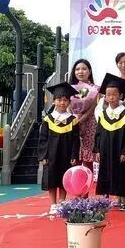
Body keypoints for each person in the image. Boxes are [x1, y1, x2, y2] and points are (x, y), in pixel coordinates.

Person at [94, 73, 125, 211]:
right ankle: (105, 201)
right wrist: (97, 150)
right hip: (105, 150)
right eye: (108, 94)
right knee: (104, 172)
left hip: (120, 151)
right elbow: (98, 134)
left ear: (121, 96)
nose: (111, 97)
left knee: (122, 174)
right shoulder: (103, 115)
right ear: (105, 97)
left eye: (114, 94)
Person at [38, 82, 80, 215]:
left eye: (65, 100)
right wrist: (43, 156)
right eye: (59, 99)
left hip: (66, 154)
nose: (62, 102)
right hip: (51, 155)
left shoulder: (73, 120)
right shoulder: (48, 119)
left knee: (64, 177)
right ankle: (53, 204)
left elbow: (75, 140)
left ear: (69, 102)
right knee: (51, 178)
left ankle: (62, 202)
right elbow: (43, 138)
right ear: (54, 101)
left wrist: (74, 155)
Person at [69, 59, 100, 177]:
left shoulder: (95, 89)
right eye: (77, 69)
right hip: (72, 123)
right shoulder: (70, 88)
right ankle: (76, 187)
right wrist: (74, 118)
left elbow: (92, 107)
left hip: (89, 124)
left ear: (89, 71)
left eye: (84, 69)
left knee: (88, 159)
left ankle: (87, 187)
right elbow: (68, 106)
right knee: (74, 157)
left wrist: (80, 120)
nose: (80, 72)